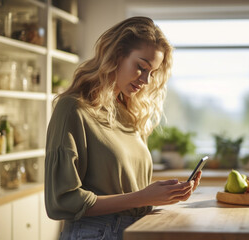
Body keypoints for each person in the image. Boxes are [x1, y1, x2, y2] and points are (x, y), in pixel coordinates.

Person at [44, 16, 202, 240]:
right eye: (141, 67)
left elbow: (130, 192)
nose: (146, 80)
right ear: (116, 55)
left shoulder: (128, 112)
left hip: (134, 231)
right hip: (96, 234)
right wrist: (143, 197)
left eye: (152, 73)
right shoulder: (73, 109)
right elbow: (61, 202)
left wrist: (165, 195)